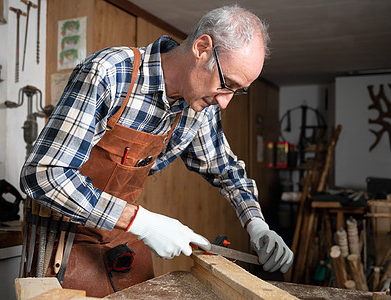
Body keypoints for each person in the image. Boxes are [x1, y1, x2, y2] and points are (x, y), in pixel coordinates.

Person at [20, 4, 293, 297]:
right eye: (227, 85)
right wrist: (143, 222)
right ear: (202, 47)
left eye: (237, 92)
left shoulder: (199, 106)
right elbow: (44, 175)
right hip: (60, 242)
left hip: (122, 237)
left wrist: (257, 225)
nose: (225, 102)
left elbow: (226, 169)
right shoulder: (111, 73)